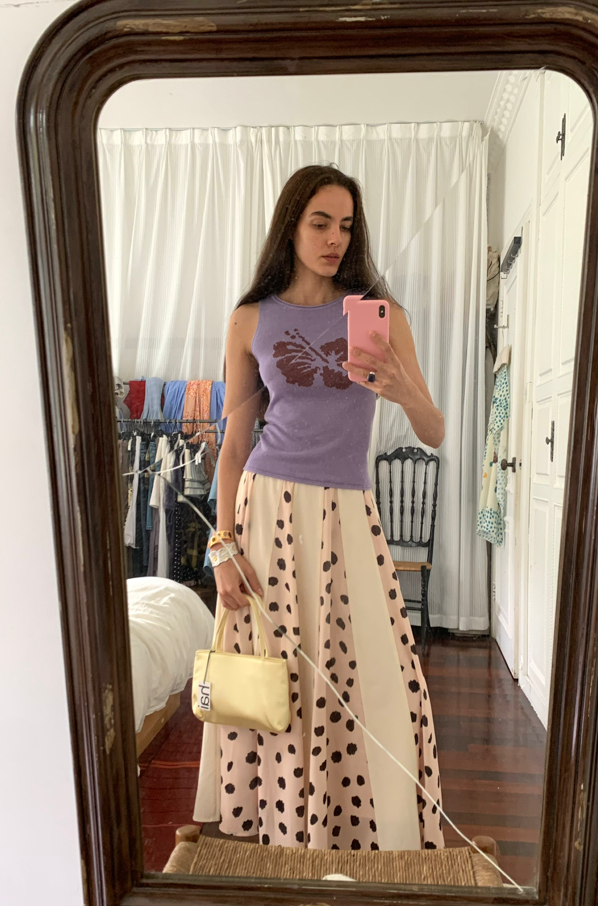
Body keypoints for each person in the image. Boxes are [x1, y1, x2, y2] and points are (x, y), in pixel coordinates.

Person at [193, 164, 445, 852]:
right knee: (277, 671)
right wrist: (221, 546)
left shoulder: (381, 316)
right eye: (321, 222)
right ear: (291, 226)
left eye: (347, 226)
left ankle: (359, 820)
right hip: (265, 511)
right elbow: (234, 443)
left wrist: (400, 388)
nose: (337, 238)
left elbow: (433, 430)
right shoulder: (251, 319)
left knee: (377, 672)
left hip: (348, 513)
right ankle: (282, 820)